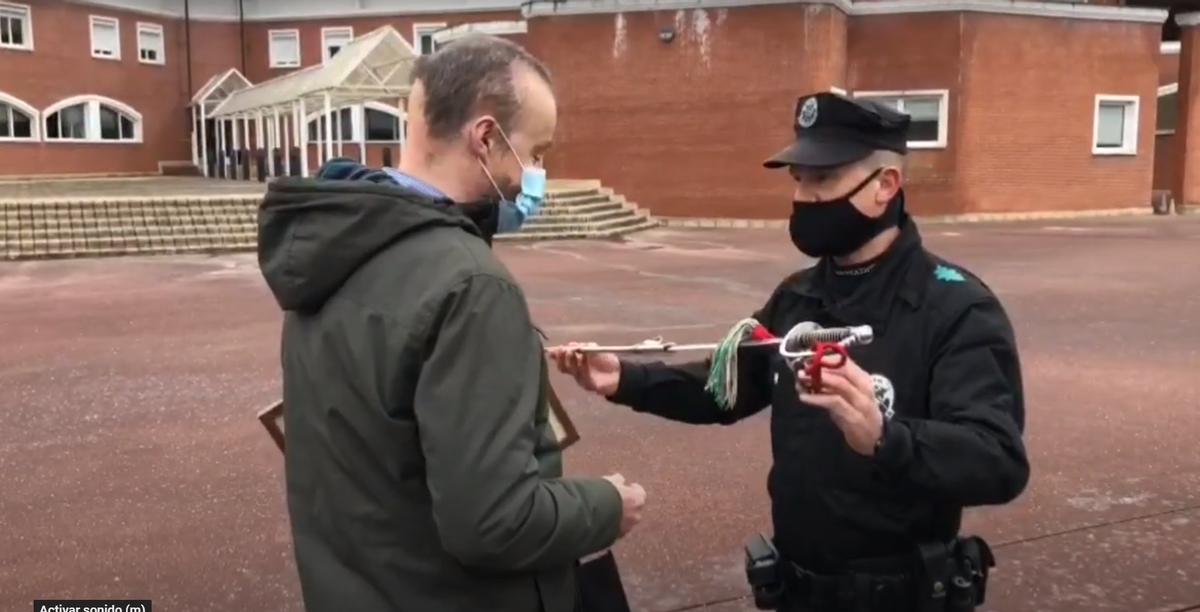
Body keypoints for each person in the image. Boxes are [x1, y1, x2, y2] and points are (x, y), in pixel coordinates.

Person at [549, 92, 1030, 612]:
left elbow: (998, 460)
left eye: (823, 180)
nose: (804, 197)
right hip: (795, 592)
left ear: (884, 187)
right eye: (798, 179)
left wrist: (886, 436)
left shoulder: (955, 306)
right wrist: (622, 378)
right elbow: (725, 389)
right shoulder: (798, 296)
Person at [256, 34, 646, 612]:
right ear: (486, 139)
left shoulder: (334, 246)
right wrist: (610, 505)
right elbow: (493, 521)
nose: (535, 175)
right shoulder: (470, 285)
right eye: (536, 153)